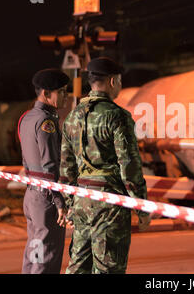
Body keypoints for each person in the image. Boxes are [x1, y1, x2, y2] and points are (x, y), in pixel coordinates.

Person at [59, 57, 150, 274]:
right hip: (109, 203)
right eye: (119, 80)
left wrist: (71, 203)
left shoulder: (72, 118)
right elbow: (129, 166)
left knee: (78, 266)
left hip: (81, 200)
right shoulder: (118, 116)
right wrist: (142, 207)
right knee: (108, 268)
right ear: (112, 81)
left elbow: (66, 167)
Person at [19, 68, 69, 274]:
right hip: (46, 199)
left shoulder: (26, 117)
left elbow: (26, 161)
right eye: (62, 91)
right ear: (47, 94)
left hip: (31, 196)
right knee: (46, 257)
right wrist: (59, 201)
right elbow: (50, 166)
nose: (67, 96)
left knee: (34, 251)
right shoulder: (47, 122)